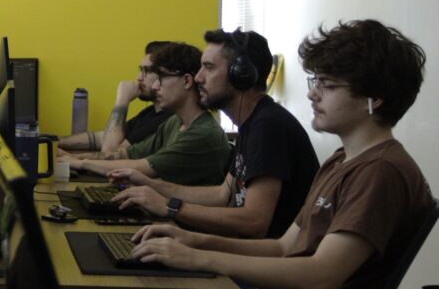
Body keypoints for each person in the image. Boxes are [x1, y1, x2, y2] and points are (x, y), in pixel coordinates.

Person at [129, 20, 433, 289]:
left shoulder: (380, 171)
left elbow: (321, 276)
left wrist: (199, 257)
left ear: (374, 99)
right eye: (316, 82)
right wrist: (193, 241)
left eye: (327, 85)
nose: (312, 93)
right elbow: (282, 248)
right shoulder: (341, 161)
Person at [111, 29, 319, 238]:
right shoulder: (251, 124)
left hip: (264, 256)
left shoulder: (268, 126)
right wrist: (149, 185)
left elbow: (254, 221)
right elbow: (222, 195)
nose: (198, 77)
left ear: (240, 74)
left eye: (209, 67)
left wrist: (170, 207)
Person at [61, 42, 230, 186]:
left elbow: (141, 167)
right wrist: (72, 159)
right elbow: (125, 154)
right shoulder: (174, 123)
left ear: (186, 81)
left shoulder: (201, 134)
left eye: (161, 78)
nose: (155, 86)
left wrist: (81, 163)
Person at [59, 41, 173, 153]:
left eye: (147, 71)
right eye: (141, 70)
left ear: (164, 75)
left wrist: (122, 100)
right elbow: (103, 138)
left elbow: (109, 152)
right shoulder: (150, 112)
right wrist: (54, 141)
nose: (139, 77)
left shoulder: (167, 119)